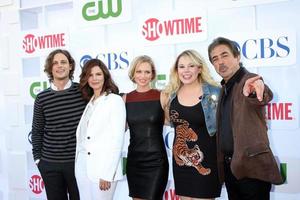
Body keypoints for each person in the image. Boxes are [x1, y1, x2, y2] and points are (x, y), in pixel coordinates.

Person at [208, 37, 283, 200]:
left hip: (252, 170)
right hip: (231, 169)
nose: (220, 61)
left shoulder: (249, 80)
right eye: (215, 59)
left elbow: (262, 95)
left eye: (225, 55)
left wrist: (257, 91)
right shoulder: (223, 89)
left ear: (237, 57)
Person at [164, 50, 222, 200]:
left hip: (207, 161)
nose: (186, 71)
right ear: (176, 70)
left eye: (191, 66)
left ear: (200, 68)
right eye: (181, 66)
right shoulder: (171, 95)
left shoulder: (215, 93)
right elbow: (170, 123)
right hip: (182, 163)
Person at [31, 49, 86, 200]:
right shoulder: (42, 98)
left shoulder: (83, 92)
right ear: (50, 68)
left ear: (70, 66)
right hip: (50, 164)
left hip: (77, 163)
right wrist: (38, 159)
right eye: (55, 63)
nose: (59, 66)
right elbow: (36, 131)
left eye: (63, 62)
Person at [75, 58, 126, 200]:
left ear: (105, 76)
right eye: (90, 75)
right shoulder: (90, 101)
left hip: (103, 169)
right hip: (83, 166)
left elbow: (117, 140)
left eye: (98, 74)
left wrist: (107, 174)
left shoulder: (114, 100)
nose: (94, 78)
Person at [123, 55, 169, 200]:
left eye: (147, 72)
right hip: (134, 161)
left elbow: (173, 122)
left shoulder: (162, 96)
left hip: (156, 161)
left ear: (152, 74)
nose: (143, 76)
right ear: (133, 74)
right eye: (139, 71)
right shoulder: (125, 99)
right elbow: (119, 129)